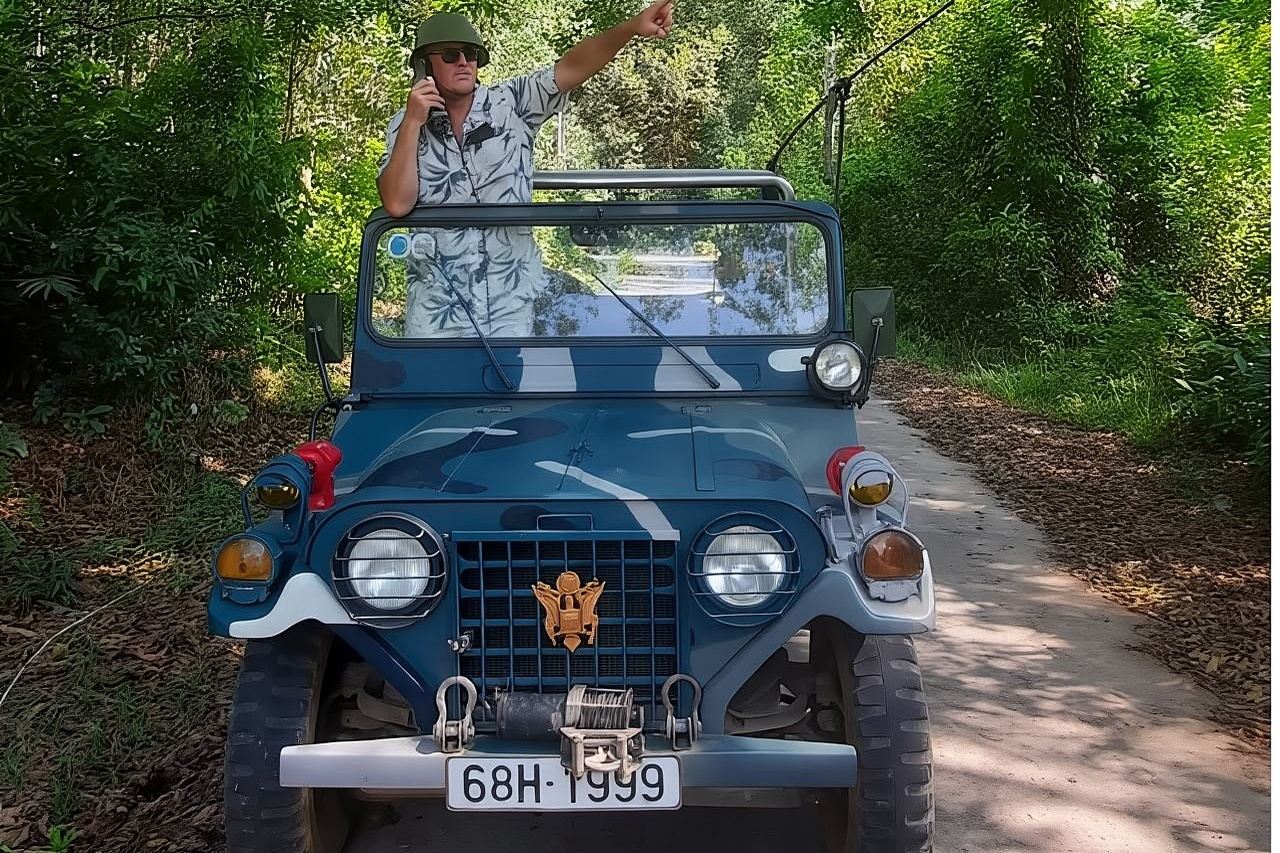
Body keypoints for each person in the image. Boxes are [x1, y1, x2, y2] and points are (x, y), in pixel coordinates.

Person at [377, 3, 675, 337]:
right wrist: (413, 123)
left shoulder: (513, 103)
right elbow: (397, 204)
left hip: (510, 306)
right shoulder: (403, 127)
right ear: (423, 67)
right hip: (436, 311)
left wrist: (630, 28)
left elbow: (572, 68)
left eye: (472, 54)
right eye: (450, 55)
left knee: (513, 387)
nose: (464, 62)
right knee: (435, 389)